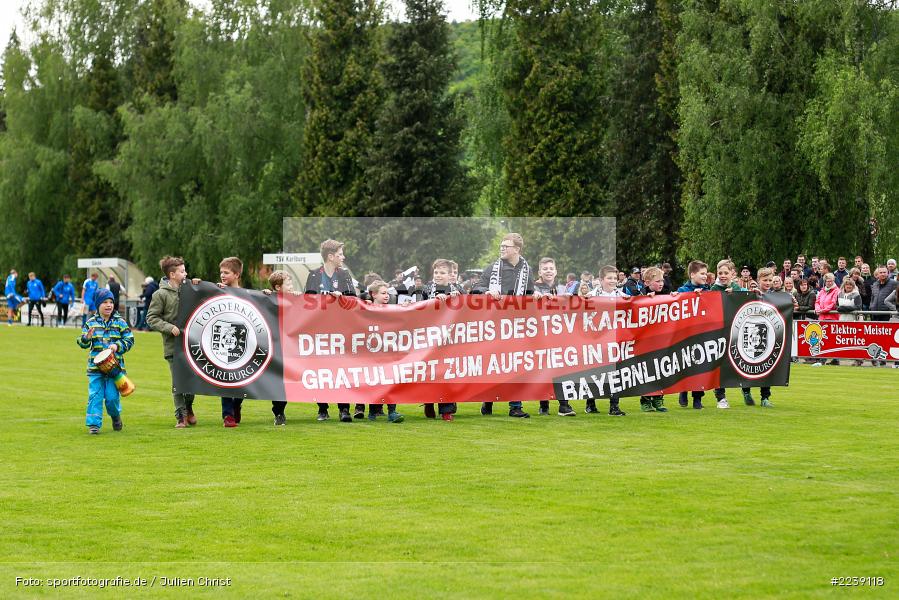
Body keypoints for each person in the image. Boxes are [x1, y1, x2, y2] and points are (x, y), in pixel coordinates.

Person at [475, 232, 534, 418]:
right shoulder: (492, 268)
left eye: (505, 246)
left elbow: (529, 293)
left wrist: (537, 295)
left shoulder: (527, 270)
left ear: (516, 249)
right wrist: (487, 291)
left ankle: (515, 406)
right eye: (501, 245)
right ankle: (489, 401)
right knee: (495, 365)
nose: (502, 248)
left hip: (517, 323)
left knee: (515, 364)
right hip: (494, 323)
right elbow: (476, 289)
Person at [305, 239, 357, 422]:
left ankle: (344, 409)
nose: (343, 257)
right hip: (319, 330)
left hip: (340, 330)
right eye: (341, 254)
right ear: (330, 256)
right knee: (321, 370)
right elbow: (307, 301)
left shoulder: (344, 275)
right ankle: (322, 409)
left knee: (342, 370)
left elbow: (353, 300)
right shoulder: (313, 275)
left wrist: (341, 297)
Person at [146, 257, 197, 429]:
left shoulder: (189, 288)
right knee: (178, 382)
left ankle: (189, 406)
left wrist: (199, 284)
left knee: (191, 382)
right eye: (182, 271)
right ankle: (180, 416)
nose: (186, 274)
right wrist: (168, 327)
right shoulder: (160, 295)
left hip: (191, 345)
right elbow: (151, 318)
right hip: (172, 347)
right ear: (172, 274)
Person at [77, 289, 134, 434]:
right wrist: (86, 339)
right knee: (94, 396)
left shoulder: (120, 322)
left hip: (114, 369)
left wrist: (117, 346)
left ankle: (115, 416)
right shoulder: (90, 323)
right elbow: (82, 343)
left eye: (111, 302)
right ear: (97, 305)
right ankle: (94, 425)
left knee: (112, 398)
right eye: (105, 302)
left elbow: (130, 339)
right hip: (95, 369)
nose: (109, 305)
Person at [421, 259, 464, 420]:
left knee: (448, 372)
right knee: (431, 371)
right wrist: (433, 301)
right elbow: (418, 308)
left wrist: (456, 298)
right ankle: (429, 401)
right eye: (436, 272)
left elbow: (468, 307)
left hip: (450, 337)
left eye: (442, 272)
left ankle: (447, 410)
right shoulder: (426, 289)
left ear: (450, 274)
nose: (438, 275)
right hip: (431, 336)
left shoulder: (457, 289)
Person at [533, 257, 576, 417]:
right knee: (544, 369)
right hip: (539, 334)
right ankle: (544, 404)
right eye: (545, 269)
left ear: (556, 271)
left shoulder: (562, 288)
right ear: (540, 272)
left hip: (559, 335)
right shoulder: (533, 288)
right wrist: (534, 296)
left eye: (551, 268)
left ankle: (564, 405)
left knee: (560, 369)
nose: (549, 271)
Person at [587, 265, 626, 416]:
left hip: (615, 340)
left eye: (615, 278)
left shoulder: (622, 295)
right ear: (601, 280)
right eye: (609, 278)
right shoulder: (591, 295)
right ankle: (590, 403)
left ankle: (614, 406)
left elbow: (639, 304)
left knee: (615, 372)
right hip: (595, 340)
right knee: (594, 372)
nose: (613, 281)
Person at [364, 280, 406, 423]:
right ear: (373, 295)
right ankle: (372, 411)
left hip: (388, 352)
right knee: (375, 382)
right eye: (383, 293)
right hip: (373, 353)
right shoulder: (366, 308)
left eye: (387, 293)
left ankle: (392, 412)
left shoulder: (392, 309)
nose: (386, 296)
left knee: (390, 381)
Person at [709, 260, 745, 408]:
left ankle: (746, 390)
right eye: (720, 273)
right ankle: (720, 397)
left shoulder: (738, 288)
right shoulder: (714, 288)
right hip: (718, 332)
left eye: (726, 273)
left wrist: (735, 294)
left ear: (732, 273)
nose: (723, 276)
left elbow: (747, 300)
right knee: (719, 364)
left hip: (735, 332)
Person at [677, 261, 710, 409]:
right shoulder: (682, 289)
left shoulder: (708, 291)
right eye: (702, 273)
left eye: (706, 273)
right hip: (685, 334)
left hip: (702, 334)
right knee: (685, 364)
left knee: (699, 366)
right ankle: (683, 390)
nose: (705, 276)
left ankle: (697, 397)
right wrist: (691, 295)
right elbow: (678, 301)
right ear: (692, 274)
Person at [218, 256, 245, 427]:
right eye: (221, 272)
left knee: (242, 378)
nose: (222, 275)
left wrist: (267, 295)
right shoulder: (217, 290)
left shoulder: (246, 293)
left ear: (236, 275)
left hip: (242, 340)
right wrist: (197, 284)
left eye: (226, 273)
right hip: (222, 340)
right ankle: (227, 415)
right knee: (226, 378)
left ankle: (237, 404)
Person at [638, 267, 669, 413]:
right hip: (646, 340)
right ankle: (645, 400)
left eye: (662, 280)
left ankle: (658, 399)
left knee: (661, 369)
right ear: (647, 282)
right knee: (647, 370)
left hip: (662, 339)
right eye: (657, 281)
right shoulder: (640, 296)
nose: (661, 283)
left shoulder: (667, 295)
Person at [745, 268, 777, 406]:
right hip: (751, 332)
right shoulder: (751, 294)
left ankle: (765, 397)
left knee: (767, 367)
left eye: (770, 280)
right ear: (758, 280)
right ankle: (746, 390)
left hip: (768, 335)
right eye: (765, 280)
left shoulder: (776, 296)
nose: (768, 283)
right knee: (749, 364)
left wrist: (790, 301)